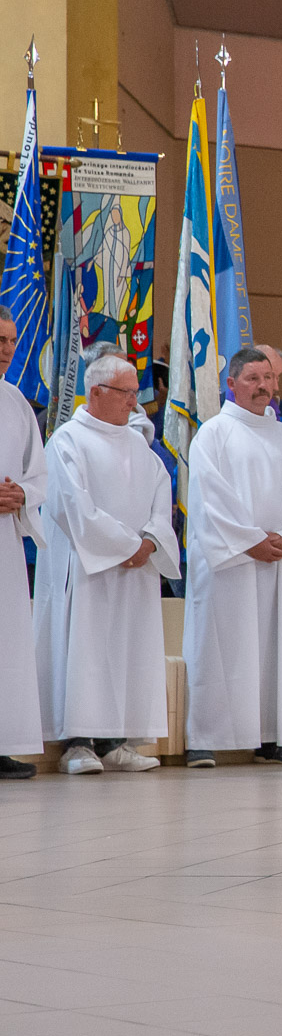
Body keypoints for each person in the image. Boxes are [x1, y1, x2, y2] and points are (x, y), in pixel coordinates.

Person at [33, 353, 180, 775]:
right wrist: (126, 545)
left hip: (134, 570)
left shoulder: (139, 446)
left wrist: (149, 542)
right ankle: (78, 744)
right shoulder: (67, 441)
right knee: (86, 650)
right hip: (88, 570)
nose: (135, 402)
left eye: (136, 393)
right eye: (126, 393)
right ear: (95, 392)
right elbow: (72, 508)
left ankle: (117, 742)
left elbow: (162, 498)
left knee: (127, 651)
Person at [184, 345, 282, 767]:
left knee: (274, 652)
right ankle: (205, 737)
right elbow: (209, 500)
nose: (263, 386)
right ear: (231, 383)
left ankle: (274, 736)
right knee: (220, 646)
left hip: (279, 562)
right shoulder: (214, 433)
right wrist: (250, 542)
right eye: (253, 379)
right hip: (231, 564)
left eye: (268, 378)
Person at [0, 305, 48, 779]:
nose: (8, 349)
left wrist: (23, 495)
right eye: (0, 340)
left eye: (12, 340)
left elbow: (39, 474)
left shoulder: (15, 402)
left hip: (5, 547)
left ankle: (2, 742)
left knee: (5, 642)